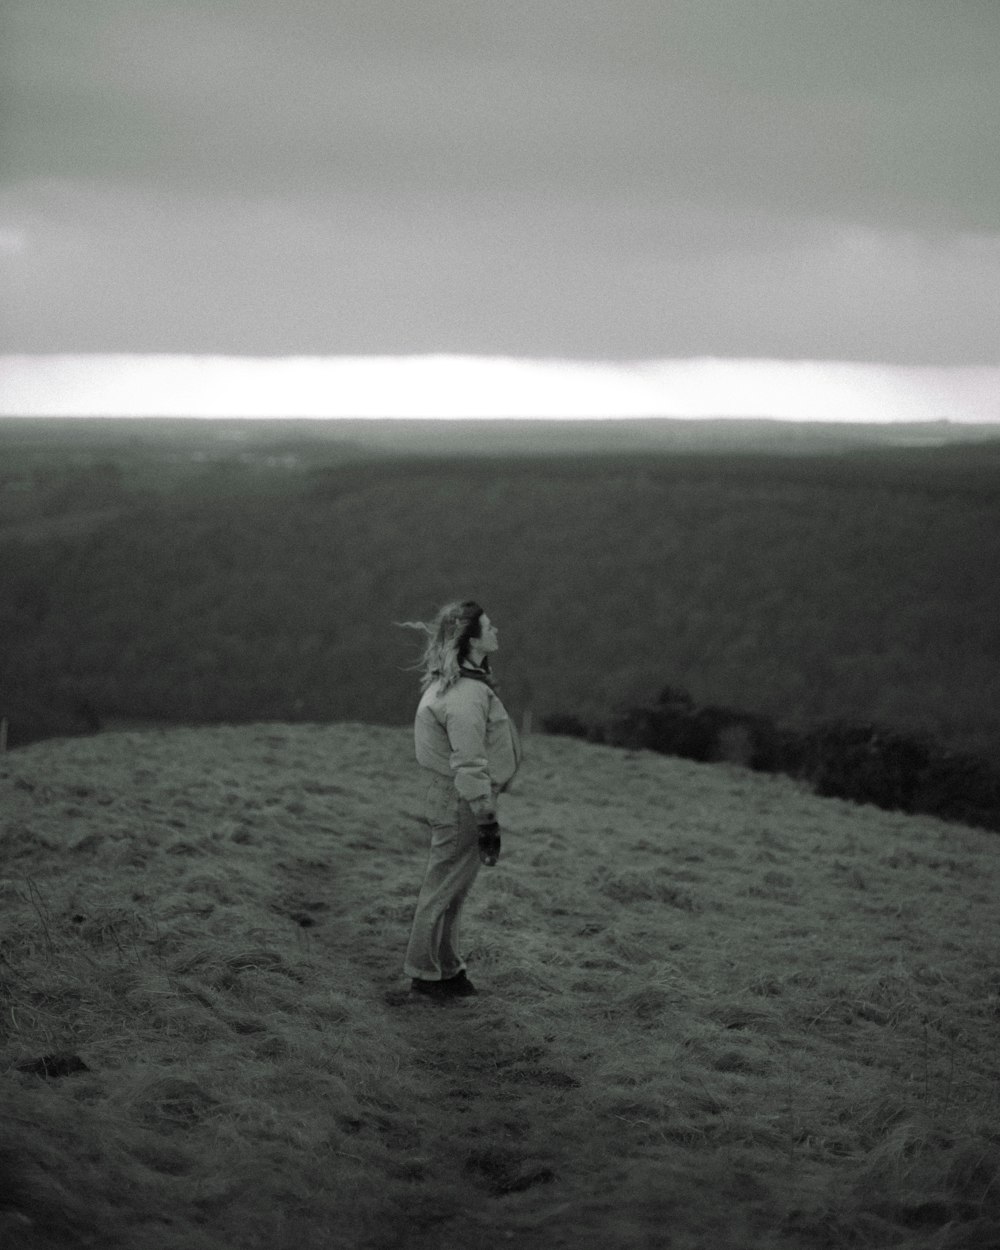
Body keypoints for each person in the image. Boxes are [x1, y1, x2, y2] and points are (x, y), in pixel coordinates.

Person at [398, 600, 522, 999]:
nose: (496, 630)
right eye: (488, 626)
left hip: (455, 797)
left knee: (453, 887)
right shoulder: (466, 694)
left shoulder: (459, 685)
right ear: (469, 640)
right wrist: (485, 816)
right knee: (443, 887)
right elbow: (468, 761)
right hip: (462, 801)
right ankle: (424, 973)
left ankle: (447, 969)